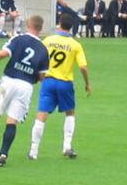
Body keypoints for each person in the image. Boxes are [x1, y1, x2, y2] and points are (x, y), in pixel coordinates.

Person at [0, 16, 49, 167]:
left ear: (28, 24)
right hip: (26, 86)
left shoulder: (19, 39)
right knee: (12, 120)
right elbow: (42, 76)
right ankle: (3, 154)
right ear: (40, 28)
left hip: (9, 80)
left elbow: (4, 53)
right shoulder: (43, 49)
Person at [28, 13, 90, 160]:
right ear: (72, 26)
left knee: (41, 115)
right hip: (65, 83)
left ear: (59, 24)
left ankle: (33, 151)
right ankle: (67, 146)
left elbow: (37, 59)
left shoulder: (48, 40)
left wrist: (39, 76)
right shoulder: (75, 45)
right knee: (70, 113)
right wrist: (87, 84)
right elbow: (83, 67)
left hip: (48, 81)